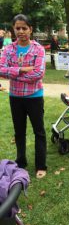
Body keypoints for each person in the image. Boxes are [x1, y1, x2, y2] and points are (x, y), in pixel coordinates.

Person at [0, 14, 47, 179]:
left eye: (24, 28)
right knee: (19, 132)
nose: (21, 31)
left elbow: (38, 74)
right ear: (14, 29)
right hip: (16, 97)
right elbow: (1, 69)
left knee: (39, 131)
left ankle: (41, 165)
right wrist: (21, 70)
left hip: (34, 96)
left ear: (30, 29)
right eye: (17, 28)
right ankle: (21, 162)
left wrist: (13, 73)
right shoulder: (8, 49)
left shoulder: (38, 49)